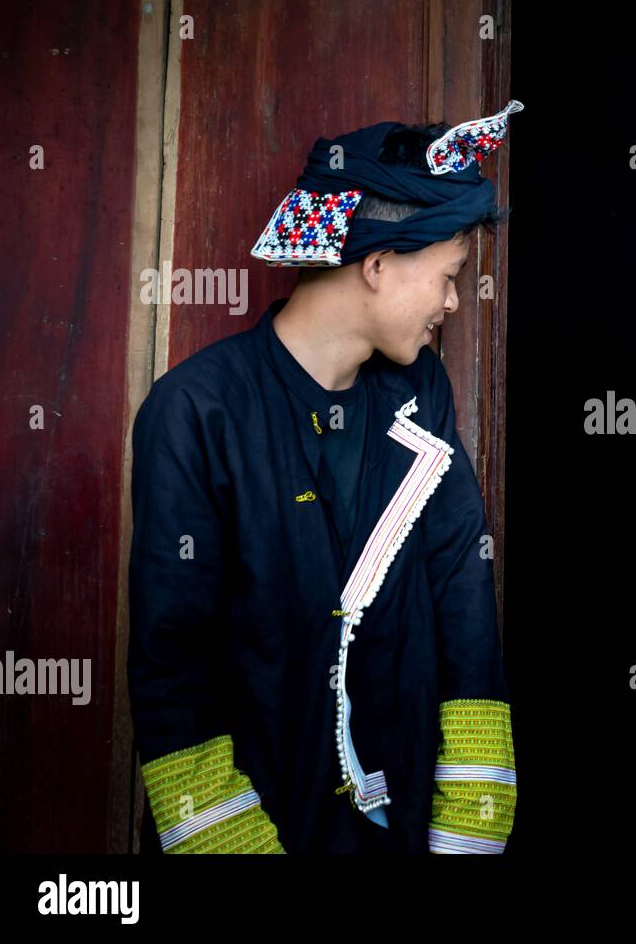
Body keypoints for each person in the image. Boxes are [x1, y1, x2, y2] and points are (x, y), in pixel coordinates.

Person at [127, 103, 524, 854]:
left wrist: (466, 832)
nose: (451, 303)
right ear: (376, 266)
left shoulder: (420, 394)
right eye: (448, 277)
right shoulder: (196, 412)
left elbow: (463, 603)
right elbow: (171, 669)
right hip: (256, 827)